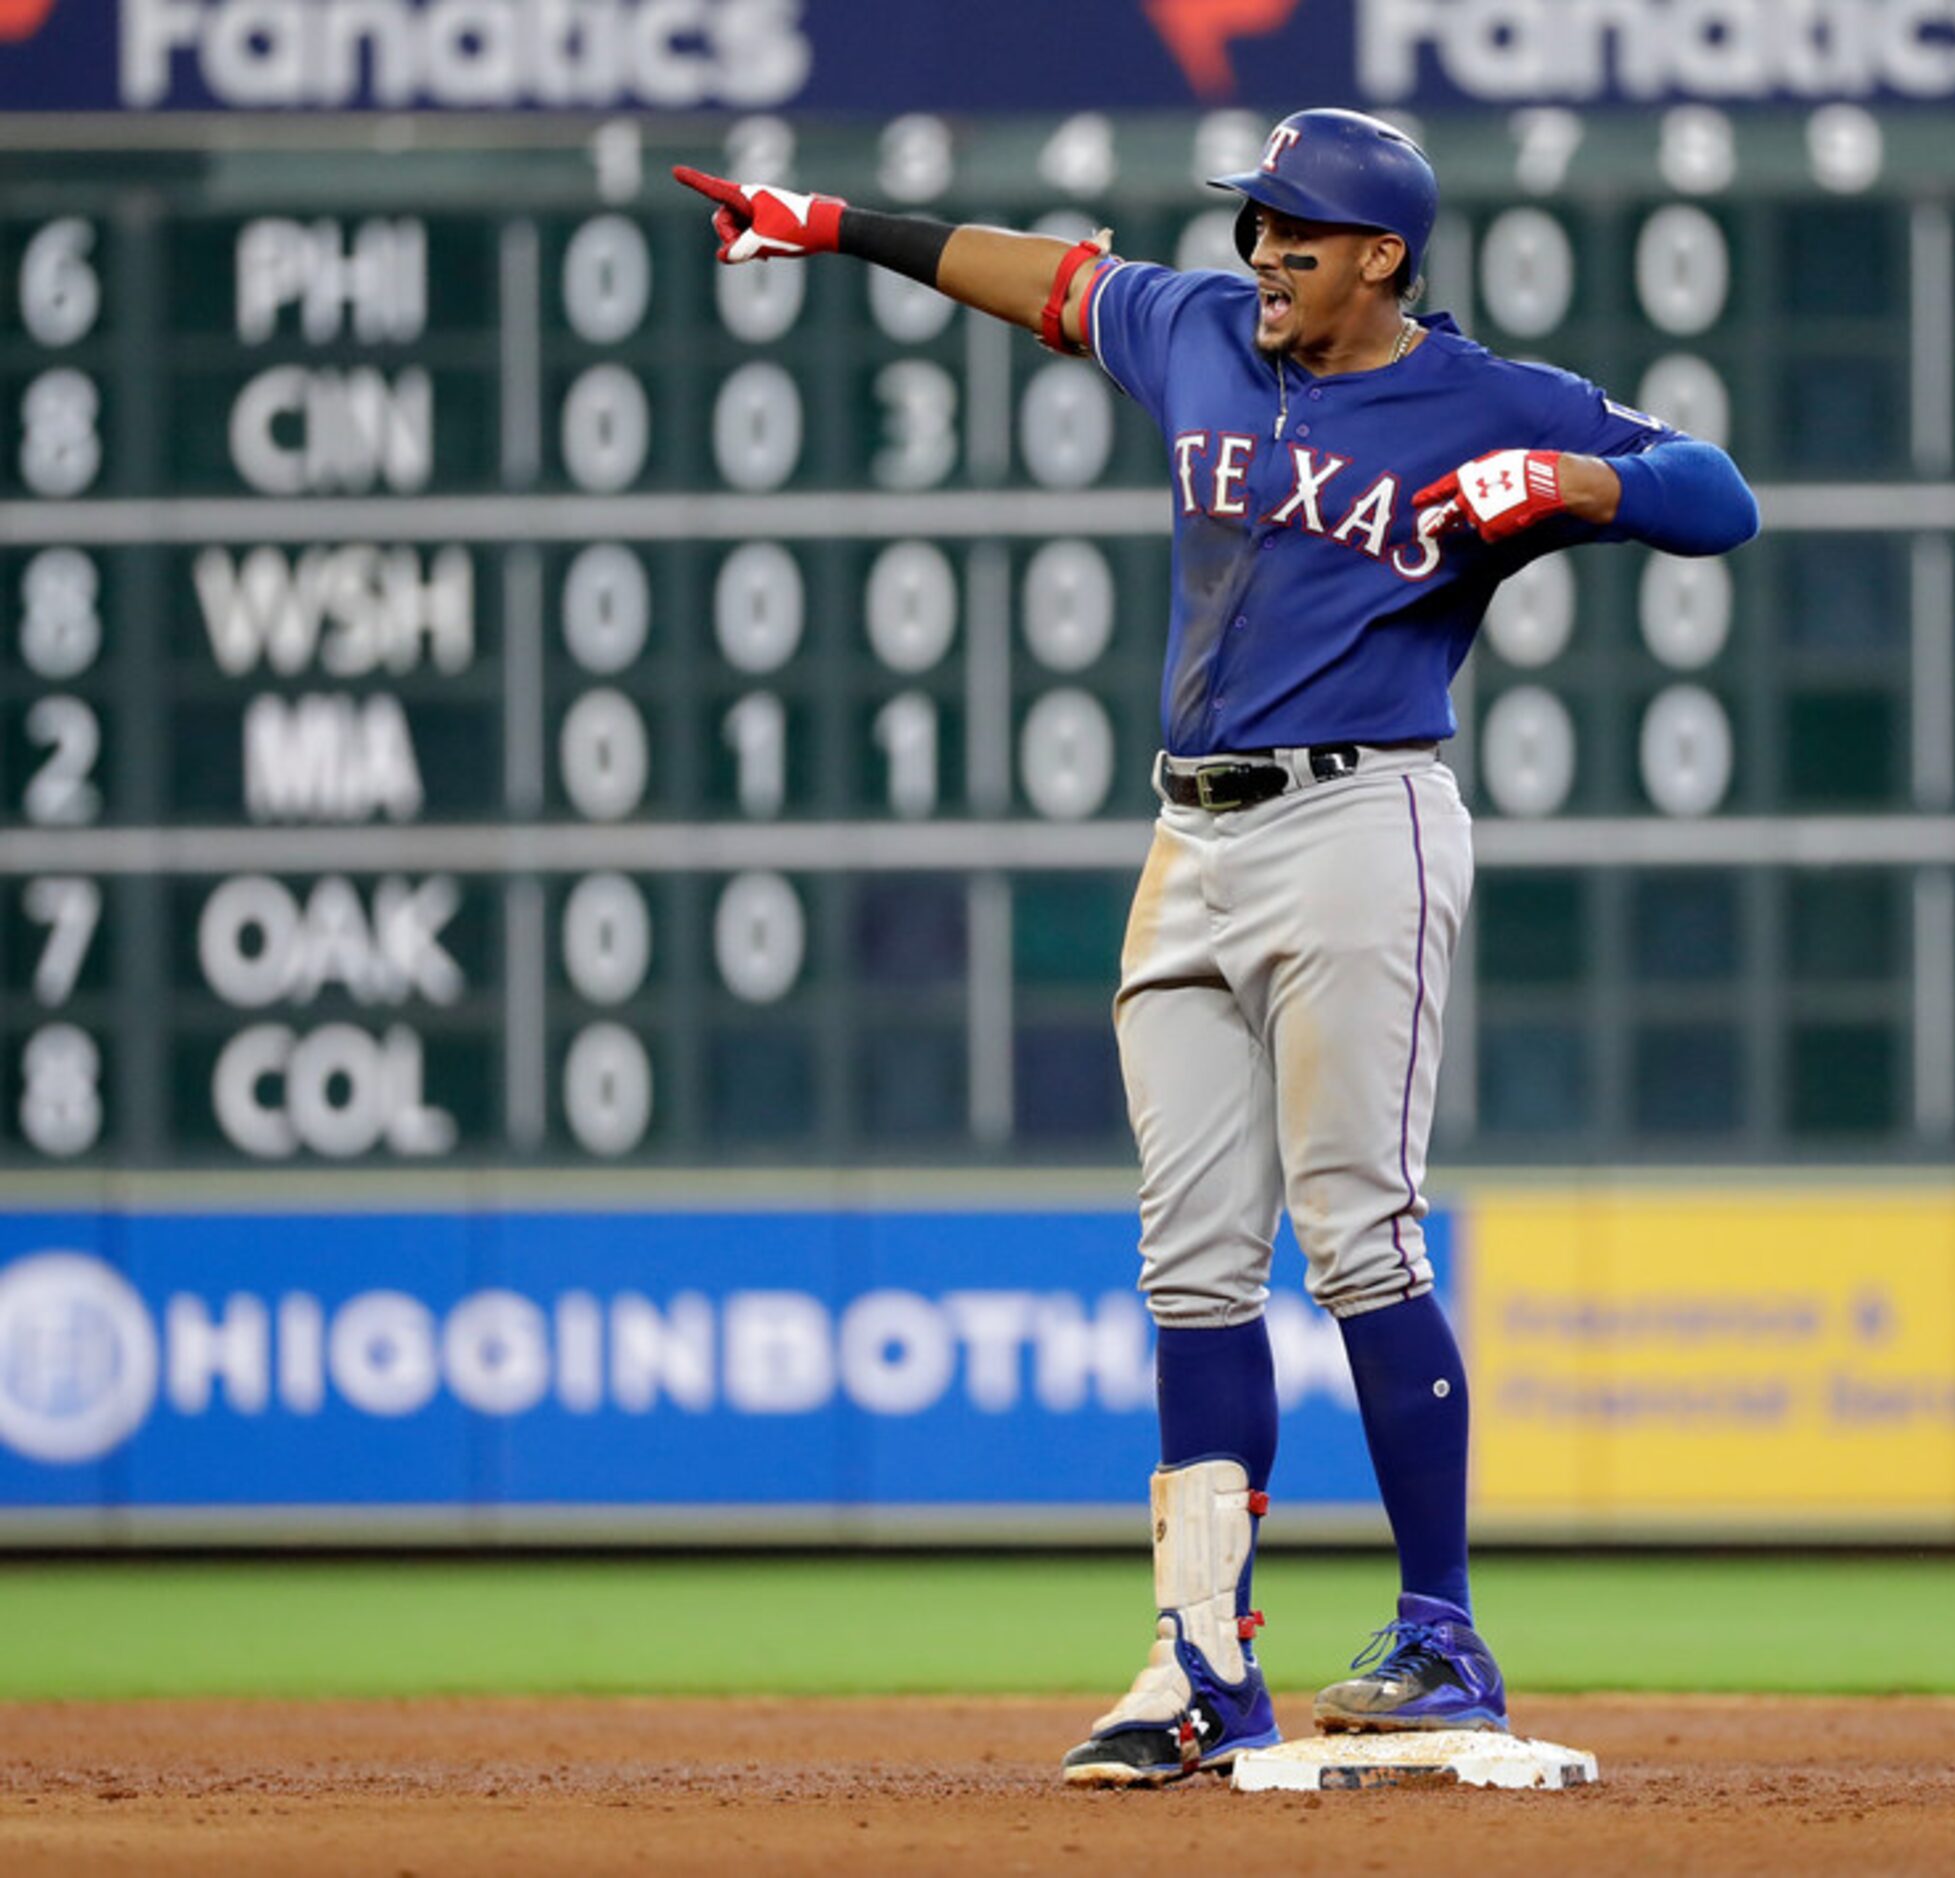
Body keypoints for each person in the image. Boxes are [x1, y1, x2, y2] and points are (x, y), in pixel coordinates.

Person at [674, 109, 1759, 1785]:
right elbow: (1038, 280)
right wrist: (829, 224)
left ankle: (1442, 1628)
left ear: (1382, 256)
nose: (1261, 253)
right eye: (1255, 225)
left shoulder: (1482, 398)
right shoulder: (1195, 327)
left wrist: (1576, 478)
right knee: (1190, 1265)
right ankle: (1200, 1657)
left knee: (1359, 1235)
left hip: (1361, 822)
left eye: (1295, 234)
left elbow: (1719, 496)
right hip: (1190, 835)